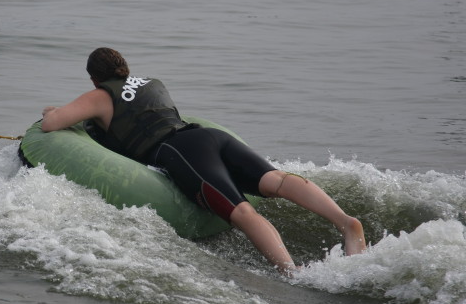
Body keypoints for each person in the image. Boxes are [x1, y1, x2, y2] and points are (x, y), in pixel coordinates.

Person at [41, 47, 366, 274]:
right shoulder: (151, 82)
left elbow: (51, 125)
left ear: (94, 79)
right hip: (208, 137)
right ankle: (345, 222)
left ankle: (290, 271)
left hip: (178, 151)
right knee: (275, 180)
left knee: (240, 210)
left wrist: (52, 111)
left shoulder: (99, 95)